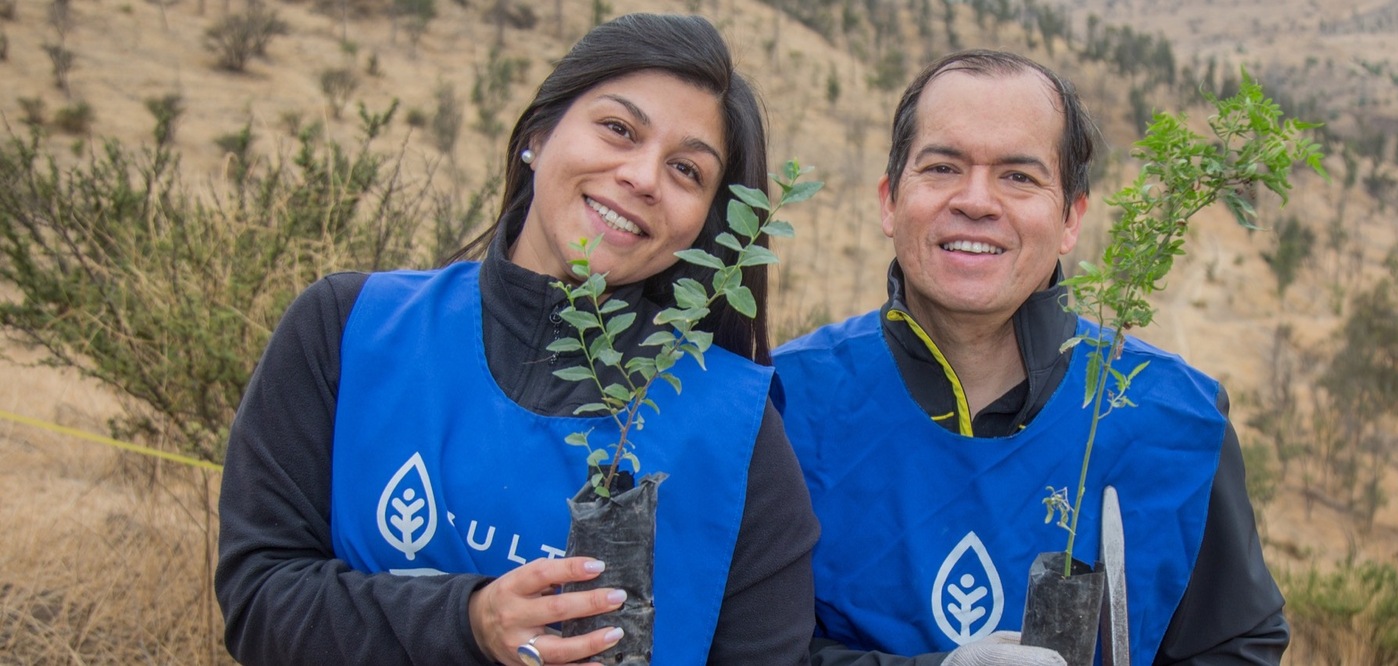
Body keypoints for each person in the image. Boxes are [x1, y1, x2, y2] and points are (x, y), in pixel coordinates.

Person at [214, 13, 819, 666]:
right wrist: (469, 623)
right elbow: (259, 602)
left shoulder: (740, 438)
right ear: (538, 134)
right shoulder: (351, 327)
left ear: (704, 226)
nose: (644, 178)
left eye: (686, 170)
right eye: (619, 129)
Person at [773, 50, 1288, 665]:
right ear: (890, 201)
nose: (976, 201)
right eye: (942, 167)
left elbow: (1236, 648)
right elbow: (742, 648)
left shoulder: (1177, 421)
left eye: (1019, 176)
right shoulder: (787, 403)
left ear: (1071, 217)